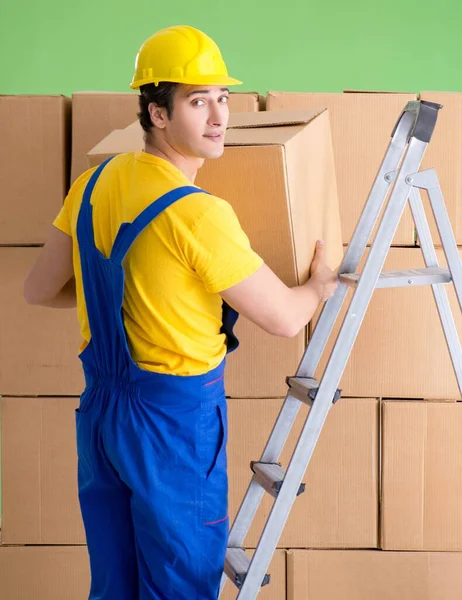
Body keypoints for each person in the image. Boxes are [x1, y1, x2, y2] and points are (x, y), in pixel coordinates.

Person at [23, 24, 338, 600]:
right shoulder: (199, 216)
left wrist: (127, 290)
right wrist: (319, 284)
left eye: (223, 97)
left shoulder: (92, 185)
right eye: (198, 101)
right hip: (173, 424)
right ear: (157, 113)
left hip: (102, 417)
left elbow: (38, 289)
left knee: (114, 587)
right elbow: (286, 319)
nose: (219, 116)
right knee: (179, 589)